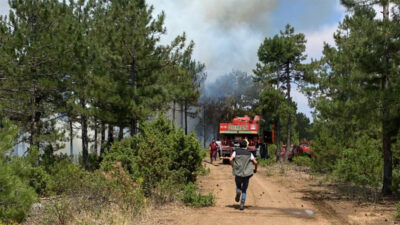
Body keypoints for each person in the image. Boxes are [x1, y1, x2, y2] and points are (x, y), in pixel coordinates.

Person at [230, 140, 258, 210]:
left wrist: (233, 166)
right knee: (244, 190)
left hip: (238, 173)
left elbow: (230, 159)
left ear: (239, 145)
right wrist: (255, 169)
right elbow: (255, 162)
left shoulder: (236, 152)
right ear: (246, 146)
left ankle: (238, 191)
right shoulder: (249, 153)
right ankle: (242, 204)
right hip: (246, 174)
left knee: (238, 186)